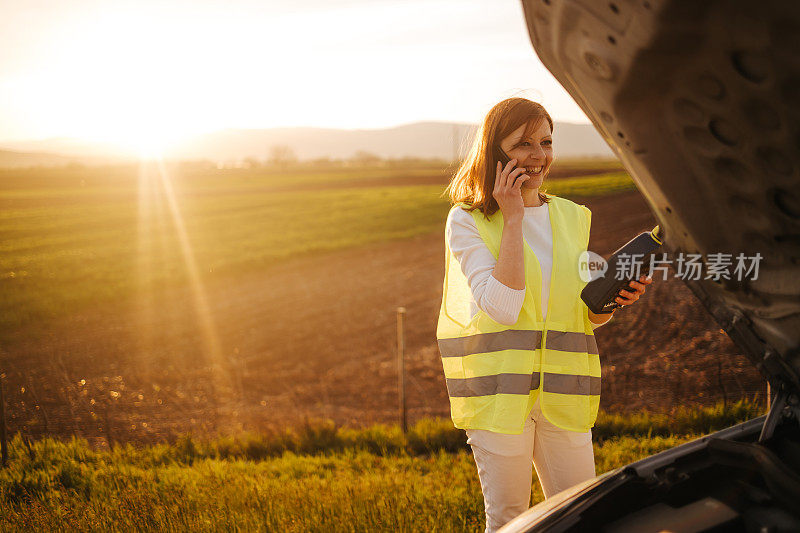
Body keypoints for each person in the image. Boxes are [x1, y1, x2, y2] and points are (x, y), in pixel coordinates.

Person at [436, 97, 652, 533]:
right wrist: (513, 217)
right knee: (509, 520)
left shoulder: (574, 217)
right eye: (523, 144)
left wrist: (612, 301)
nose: (538, 156)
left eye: (546, 142)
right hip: (499, 398)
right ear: (495, 152)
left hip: (563, 394)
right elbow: (502, 306)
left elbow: (583, 318)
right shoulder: (468, 220)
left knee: (582, 516)